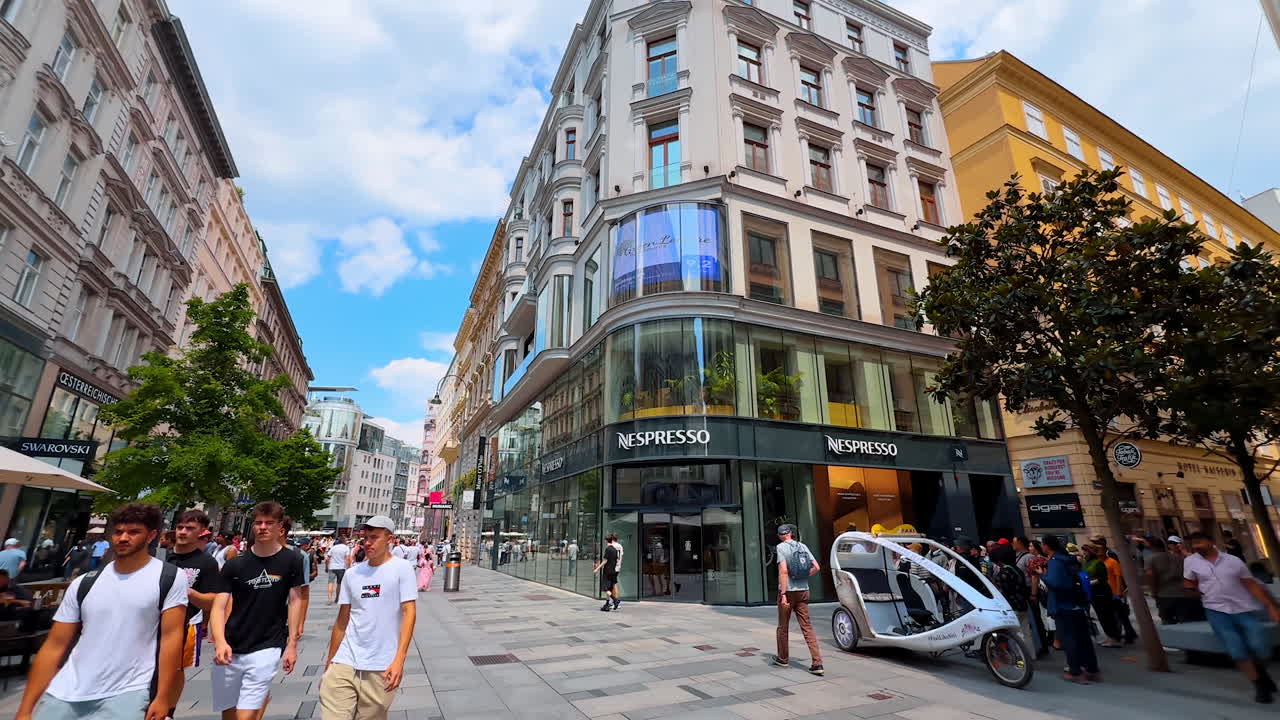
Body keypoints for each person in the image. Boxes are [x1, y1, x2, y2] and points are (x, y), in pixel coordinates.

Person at [16, 503, 188, 720]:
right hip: (66, 690)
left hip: (128, 692)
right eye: (118, 532)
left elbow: (172, 639)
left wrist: (163, 698)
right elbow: (54, 646)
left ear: (151, 535)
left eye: (134, 532)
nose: (123, 538)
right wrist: (25, 708)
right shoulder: (83, 584)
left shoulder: (169, 577)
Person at [210, 502, 309, 720]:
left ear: (280, 527)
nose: (262, 527)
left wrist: (292, 644)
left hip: (268, 644)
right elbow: (218, 607)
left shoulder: (292, 560)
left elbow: (295, 601)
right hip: (232, 644)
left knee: (245, 716)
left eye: (269, 523)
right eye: (258, 523)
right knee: (230, 714)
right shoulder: (235, 565)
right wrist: (219, 641)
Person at [320, 516, 417, 720]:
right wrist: (330, 663)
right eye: (365, 537)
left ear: (389, 538)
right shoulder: (353, 574)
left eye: (375, 537)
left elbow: (409, 613)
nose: (368, 542)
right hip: (345, 660)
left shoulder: (402, 568)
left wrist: (399, 659)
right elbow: (341, 621)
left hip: (381, 664)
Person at [1184, 531, 1280, 704]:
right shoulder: (1190, 562)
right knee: (1237, 650)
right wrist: (1194, 590)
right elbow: (1189, 582)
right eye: (1193, 543)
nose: (1196, 546)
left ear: (1211, 541)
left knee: (1260, 646)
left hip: (1243, 609)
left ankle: (1260, 671)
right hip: (1216, 611)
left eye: (1199, 542)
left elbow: (1251, 585)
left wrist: (1270, 606)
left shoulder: (1233, 561)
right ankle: (1259, 685)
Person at [166, 509, 225, 714]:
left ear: (201, 532)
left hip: (185, 624)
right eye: (180, 527)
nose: (182, 532)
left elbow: (213, 601)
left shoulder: (206, 562)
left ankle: (169, 711)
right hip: (152, 623)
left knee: (175, 669)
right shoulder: (162, 557)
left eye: (190, 528)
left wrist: (190, 593)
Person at [1041, 535, 1101, 684]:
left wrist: (1042, 574)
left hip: (1063, 604)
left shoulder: (1055, 562)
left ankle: (1075, 671)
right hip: (1078, 603)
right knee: (1084, 638)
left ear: (1047, 546)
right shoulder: (1069, 559)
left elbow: (1055, 583)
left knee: (1069, 638)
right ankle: (1092, 670)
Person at [771, 524, 823, 676]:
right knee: (807, 627)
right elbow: (817, 567)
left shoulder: (780, 548)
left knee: (783, 627)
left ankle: (783, 659)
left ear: (780, 535)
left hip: (789, 592)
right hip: (804, 591)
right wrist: (804, 577)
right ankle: (817, 663)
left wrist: (784, 593)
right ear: (791, 534)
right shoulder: (803, 546)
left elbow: (783, 570)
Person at [1091, 534, 1138, 644]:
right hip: (1106, 589)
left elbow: (1118, 574)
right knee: (1119, 613)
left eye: (1095, 542)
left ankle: (1122, 634)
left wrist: (1119, 590)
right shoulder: (1098, 557)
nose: (1093, 545)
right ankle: (1127, 633)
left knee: (1118, 613)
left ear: (1101, 543)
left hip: (1113, 589)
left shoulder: (1110, 555)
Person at [1080, 543, 1122, 647]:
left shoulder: (1098, 563)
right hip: (1092, 592)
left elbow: (1102, 578)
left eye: (1086, 551)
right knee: (1101, 616)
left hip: (1101, 592)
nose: (1084, 553)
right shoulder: (1086, 563)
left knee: (1107, 615)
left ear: (1091, 552)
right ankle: (1109, 637)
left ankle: (1114, 638)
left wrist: (1089, 582)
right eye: (1083, 551)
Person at [1144, 537, 1186, 625]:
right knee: (1185, 620)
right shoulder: (1177, 557)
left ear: (1151, 546)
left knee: (1168, 621)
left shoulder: (1150, 559)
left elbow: (1150, 575)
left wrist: (1153, 591)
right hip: (1182, 593)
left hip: (1164, 594)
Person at [592, 533, 623, 612]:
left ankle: (615, 600)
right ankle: (607, 603)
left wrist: (597, 568)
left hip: (608, 570)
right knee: (610, 587)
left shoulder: (608, 549)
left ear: (607, 540)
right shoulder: (617, 548)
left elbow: (605, 561)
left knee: (605, 588)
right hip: (615, 569)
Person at [326, 536, 352, 604]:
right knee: (339, 583)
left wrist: (326, 566)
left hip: (332, 567)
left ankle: (329, 598)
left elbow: (327, 558)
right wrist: (348, 568)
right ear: (344, 541)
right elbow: (348, 559)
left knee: (330, 582)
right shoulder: (346, 548)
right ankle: (337, 598)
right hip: (341, 568)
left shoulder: (333, 547)